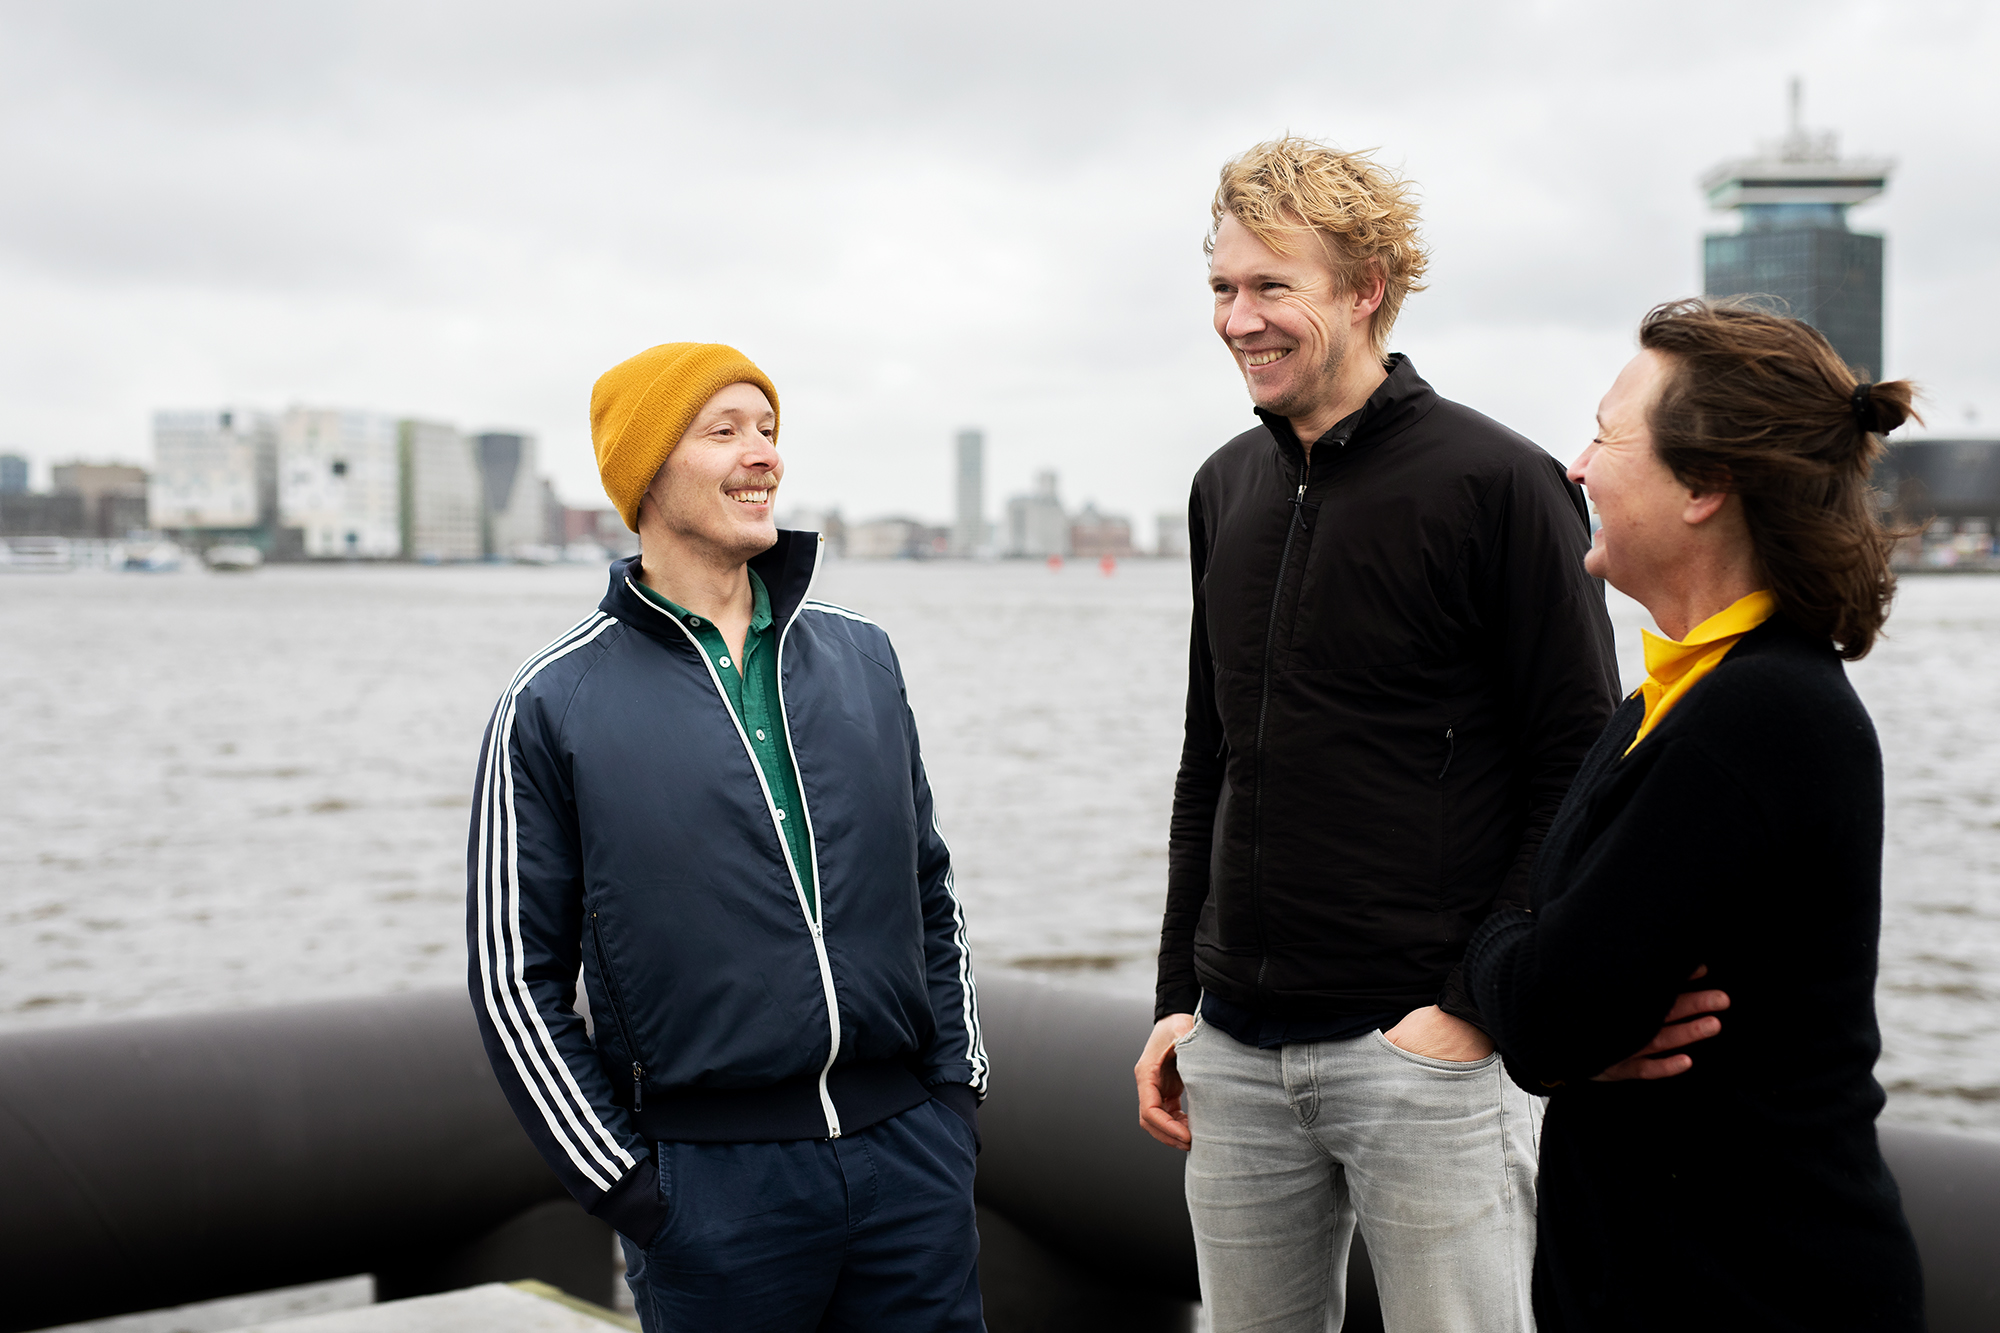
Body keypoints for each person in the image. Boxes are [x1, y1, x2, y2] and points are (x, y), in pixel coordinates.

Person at [1132, 136, 1622, 1331]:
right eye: (1220, 288)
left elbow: (1579, 765)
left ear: (1365, 288)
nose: (1237, 319)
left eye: (1269, 287)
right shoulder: (1221, 488)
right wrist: (1173, 995)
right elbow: (1213, 757)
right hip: (1236, 1050)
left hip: (1422, 1054)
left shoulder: (1500, 484)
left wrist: (1469, 1005)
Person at [466, 342, 987, 1331]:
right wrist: (631, 1189)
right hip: (710, 1197)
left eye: (768, 429)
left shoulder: (863, 658)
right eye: (724, 431)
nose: (762, 456)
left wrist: (953, 1104)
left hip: (910, 1170)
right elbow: (512, 981)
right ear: (647, 471)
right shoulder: (550, 704)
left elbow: (929, 889)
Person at [1460, 300, 1927, 1331]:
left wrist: (1508, 970)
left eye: (1603, 433)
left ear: (1708, 483)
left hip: (1751, 1287)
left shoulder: (1756, 715)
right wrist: (1533, 976)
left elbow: (1543, 1018)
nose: (1575, 467)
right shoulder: (1666, 704)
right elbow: (1551, 997)